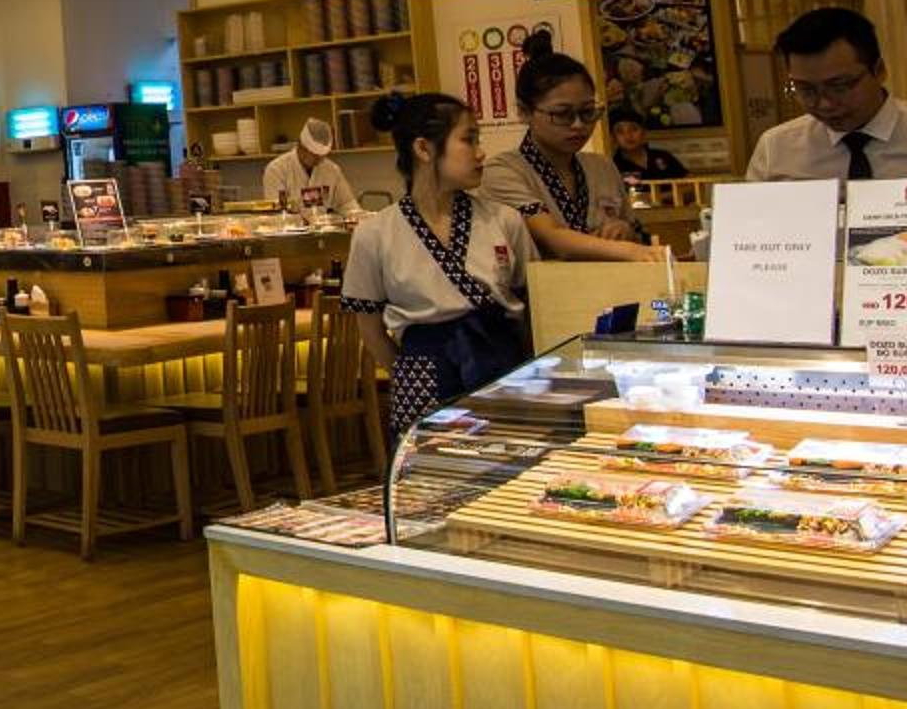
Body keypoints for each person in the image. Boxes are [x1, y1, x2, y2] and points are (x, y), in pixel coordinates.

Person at [342, 92, 536, 436]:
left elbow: (533, 305)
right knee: (428, 471)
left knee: (512, 466)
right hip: (425, 379)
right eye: (468, 140)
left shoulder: (504, 220)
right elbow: (370, 329)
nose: (481, 153)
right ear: (423, 148)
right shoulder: (374, 234)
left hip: (504, 372)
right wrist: (411, 374)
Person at [746, 6, 907, 180]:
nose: (824, 103)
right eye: (806, 90)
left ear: (879, 70)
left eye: (840, 86)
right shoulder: (776, 149)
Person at [482, 53, 665, 263]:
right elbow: (552, 238)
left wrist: (625, 231)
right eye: (562, 114)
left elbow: (637, 232)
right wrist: (628, 251)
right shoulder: (502, 171)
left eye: (587, 112)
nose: (578, 125)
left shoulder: (602, 166)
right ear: (524, 112)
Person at [258, 117, 360, 217]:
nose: (319, 160)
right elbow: (278, 213)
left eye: (323, 156)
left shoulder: (332, 170)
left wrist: (358, 216)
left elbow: (347, 203)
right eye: (314, 155)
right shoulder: (276, 170)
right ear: (301, 147)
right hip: (291, 227)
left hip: (323, 226)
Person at [608, 107, 690, 181]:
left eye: (634, 129)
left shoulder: (663, 156)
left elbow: (688, 180)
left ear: (643, 132)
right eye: (620, 131)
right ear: (613, 137)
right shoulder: (614, 166)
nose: (628, 136)